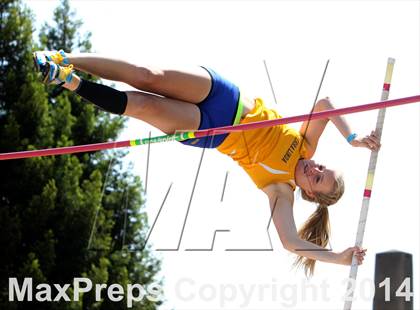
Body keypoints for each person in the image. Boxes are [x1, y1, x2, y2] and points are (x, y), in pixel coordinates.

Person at [33, 50, 380, 276]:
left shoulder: (280, 190)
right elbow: (325, 104)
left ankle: (67, 80)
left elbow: (290, 241)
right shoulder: (305, 145)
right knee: (146, 74)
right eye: (322, 168)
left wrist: (336, 257)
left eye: (318, 179)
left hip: (211, 132)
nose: (315, 169)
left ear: (311, 195)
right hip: (225, 97)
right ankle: (65, 59)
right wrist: (352, 139)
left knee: (142, 105)